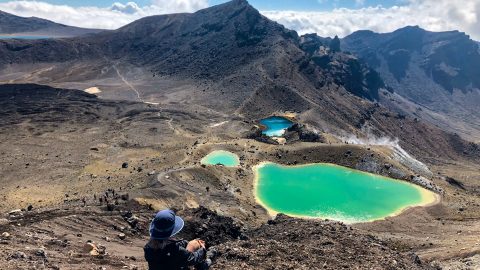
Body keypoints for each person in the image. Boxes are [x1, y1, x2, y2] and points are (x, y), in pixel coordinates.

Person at [144, 209, 210, 270]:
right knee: (205, 263)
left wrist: (186, 243)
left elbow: (169, 246)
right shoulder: (175, 251)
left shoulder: (148, 248)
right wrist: (203, 250)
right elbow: (193, 258)